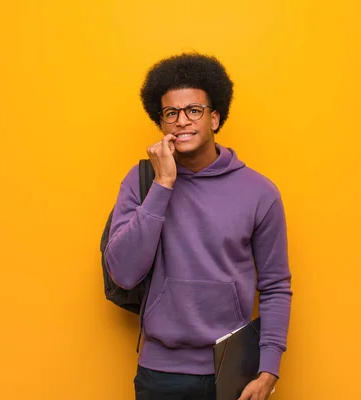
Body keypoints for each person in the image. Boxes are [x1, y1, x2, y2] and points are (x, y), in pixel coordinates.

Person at [104, 52, 292, 400]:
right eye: (171, 113)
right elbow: (124, 274)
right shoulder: (142, 181)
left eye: (194, 110)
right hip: (160, 374)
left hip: (232, 370)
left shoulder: (259, 192)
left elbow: (276, 284)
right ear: (161, 123)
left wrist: (268, 370)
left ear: (215, 118)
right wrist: (162, 185)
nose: (182, 121)